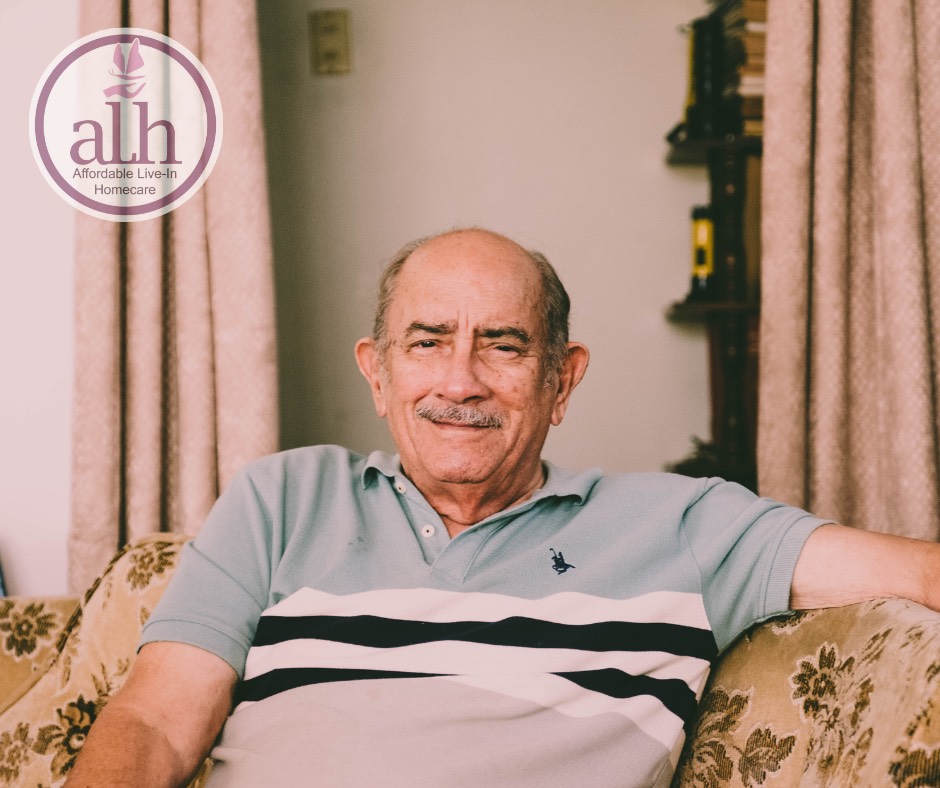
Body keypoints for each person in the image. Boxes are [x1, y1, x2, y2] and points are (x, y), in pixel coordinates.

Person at [66, 228, 940, 787]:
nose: (460, 381)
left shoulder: (686, 527)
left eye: (504, 345)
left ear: (562, 379)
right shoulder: (281, 498)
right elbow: (154, 722)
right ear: (377, 373)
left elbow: (920, 573)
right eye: (427, 342)